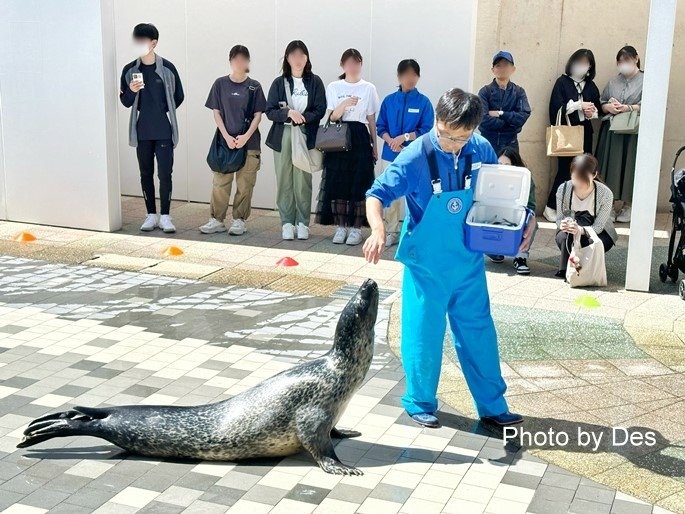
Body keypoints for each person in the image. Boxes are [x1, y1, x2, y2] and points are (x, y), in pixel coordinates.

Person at [364, 88, 530, 428]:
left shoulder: (481, 148)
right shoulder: (415, 155)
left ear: (473, 130)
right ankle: (419, 400)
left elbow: (500, 197)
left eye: (461, 138)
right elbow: (376, 195)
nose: (452, 144)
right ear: (437, 121)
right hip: (427, 263)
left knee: (479, 331)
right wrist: (378, 230)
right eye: (445, 135)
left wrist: (525, 220)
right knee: (423, 331)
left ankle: (492, 405)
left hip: (468, 261)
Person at [119, 23, 184, 233]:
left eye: (141, 41)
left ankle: (165, 216)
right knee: (145, 173)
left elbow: (178, 97)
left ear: (153, 43)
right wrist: (130, 91)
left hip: (164, 130)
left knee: (165, 174)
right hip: (143, 131)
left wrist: (163, 109)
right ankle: (150, 215)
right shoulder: (130, 70)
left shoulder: (167, 68)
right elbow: (126, 102)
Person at [199, 45, 266, 236]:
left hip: (249, 142)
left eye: (244, 59)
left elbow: (258, 115)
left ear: (248, 62)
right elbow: (216, 112)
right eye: (236, 59)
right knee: (220, 182)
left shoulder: (254, 86)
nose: (240, 62)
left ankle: (239, 220)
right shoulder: (220, 84)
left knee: (245, 184)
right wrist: (227, 136)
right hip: (224, 142)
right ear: (230, 61)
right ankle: (216, 219)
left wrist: (245, 137)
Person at [315, 49, 380, 246]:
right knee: (338, 182)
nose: (352, 67)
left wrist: (374, 146)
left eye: (356, 63)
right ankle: (341, 226)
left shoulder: (368, 88)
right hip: (339, 136)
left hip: (360, 137)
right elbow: (332, 117)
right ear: (342, 65)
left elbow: (371, 119)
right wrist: (343, 105)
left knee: (359, 183)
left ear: (361, 64)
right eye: (349, 63)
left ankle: (356, 229)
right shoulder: (334, 86)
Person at [265, 41, 326, 241]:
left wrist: (304, 118)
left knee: (303, 179)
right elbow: (270, 110)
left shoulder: (314, 81)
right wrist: (288, 113)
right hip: (283, 134)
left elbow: (320, 108)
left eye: (302, 55)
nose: (298, 59)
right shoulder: (278, 82)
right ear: (287, 58)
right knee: (284, 179)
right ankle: (287, 222)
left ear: (307, 58)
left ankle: (302, 222)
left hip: (306, 135)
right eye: (293, 55)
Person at [376, 59, 434, 248]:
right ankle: (391, 231)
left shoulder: (424, 102)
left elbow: (427, 129)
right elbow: (380, 126)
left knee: (415, 195)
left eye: (414, 74)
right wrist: (391, 140)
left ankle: (415, 232)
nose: (410, 78)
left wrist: (405, 138)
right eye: (406, 74)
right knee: (391, 195)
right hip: (390, 154)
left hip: (415, 157)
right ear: (399, 76)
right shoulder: (389, 101)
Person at [545, 49, 602, 223]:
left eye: (586, 63)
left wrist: (591, 111)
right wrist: (578, 105)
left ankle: (579, 209)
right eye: (578, 62)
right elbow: (556, 107)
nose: (581, 66)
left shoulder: (591, 86)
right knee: (564, 171)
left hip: (586, 133)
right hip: (567, 134)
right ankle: (551, 207)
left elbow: (597, 110)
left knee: (584, 170)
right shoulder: (562, 82)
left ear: (590, 66)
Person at [596, 46, 643, 224]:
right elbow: (602, 102)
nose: (623, 64)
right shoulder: (613, 82)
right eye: (620, 61)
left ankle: (628, 205)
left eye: (627, 60)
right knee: (610, 167)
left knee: (630, 167)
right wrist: (609, 107)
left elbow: (651, 103)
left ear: (636, 58)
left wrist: (630, 108)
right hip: (613, 131)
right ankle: (608, 205)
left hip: (633, 131)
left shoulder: (646, 80)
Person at [555, 154, 617, 278]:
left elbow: (599, 226)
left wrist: (581, 230)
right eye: (575, 178)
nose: (579, 183)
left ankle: (587, 268)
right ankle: (567, 269)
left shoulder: (605, 193)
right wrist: (562, 224)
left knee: (589, 242)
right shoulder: (563, 189)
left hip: (598, 231)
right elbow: (559, 218)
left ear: (594, 175)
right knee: (563, 238)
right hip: (571, 229)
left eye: (584, 179)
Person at [487, 147, 538, 275]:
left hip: (516, 216)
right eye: (499, 164)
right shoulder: (489, 178)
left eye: (507, 164)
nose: (503, 168)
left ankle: (521, 257)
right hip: (495, 217)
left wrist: (529, 217)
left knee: (531, 222)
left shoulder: (525, 179)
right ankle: (494, 252)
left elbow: (531, 205)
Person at [477, 51, 531, 154]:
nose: (502, 69)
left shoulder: (519, 92)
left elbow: (523, 116)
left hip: (510, 144)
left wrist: (501, 114)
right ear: (493, 70)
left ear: (513, 69)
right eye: (498, 66)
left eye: (506, 65)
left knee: (510, 170)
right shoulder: (485, 91)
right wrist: (509, 123)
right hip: (488, 143)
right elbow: (482, 119)